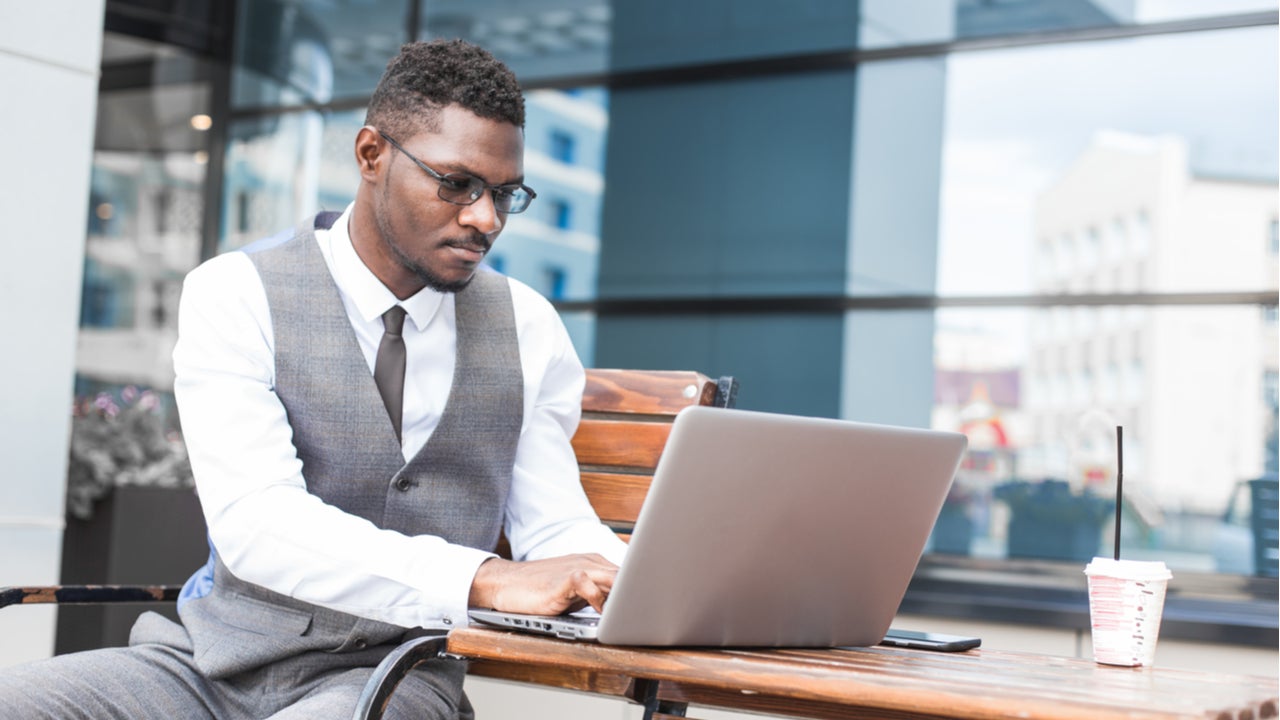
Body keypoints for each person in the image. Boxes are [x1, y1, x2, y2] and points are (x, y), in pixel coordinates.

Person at [0, 39, 627, 719]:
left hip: (396, 678)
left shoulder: (527, 327)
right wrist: (482, 577)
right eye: (457, 184)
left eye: (506, 194)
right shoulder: (235, 292)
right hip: (205, 667)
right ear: (369, 155)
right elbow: (258, 525)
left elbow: (554, 521)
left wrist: (623, 582)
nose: (486, 218)